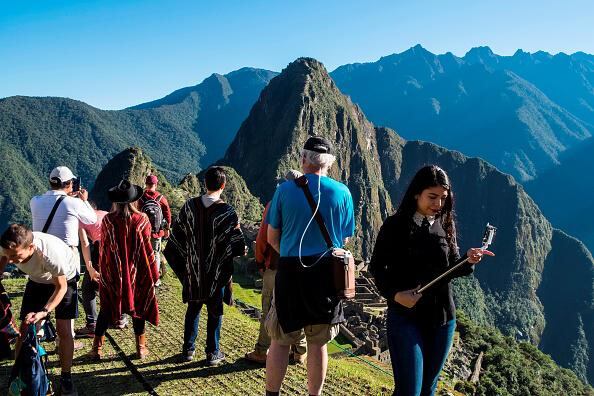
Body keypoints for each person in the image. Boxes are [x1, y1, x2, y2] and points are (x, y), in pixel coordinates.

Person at [369, 165, 494, 396]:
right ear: (417, 193)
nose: (438, 204)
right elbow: (377, 268)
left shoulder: (445, 225)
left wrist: (469, 260)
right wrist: (396, 295)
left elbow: (453, 268)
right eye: (432, 197)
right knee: (409, 390)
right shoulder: (394, 226)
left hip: (442, 320)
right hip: (406, 317)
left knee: (428, 388)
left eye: (443, 198)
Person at [265, 136, 355, 396]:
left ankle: (272, 393)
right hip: (327, 275)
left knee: (280, 341)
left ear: (303, 159)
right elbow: (345, 238)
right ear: (330, 163)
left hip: (291, 273)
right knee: (318, 344)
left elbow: (272, 237)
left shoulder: (284, 191)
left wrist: (293, 255)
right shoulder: (343, 192)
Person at [164, 166, 246, 366]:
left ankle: (188, 350)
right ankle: (212, 352)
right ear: (224, 185)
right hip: (216, 273)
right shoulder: (227, 212)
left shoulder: (189, 207)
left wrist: (187, 262)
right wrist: (240, 250)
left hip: (193, 270)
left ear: (204, 183)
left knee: (193, 308)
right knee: (215, 311)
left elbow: (176, 238)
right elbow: (236, 245)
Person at [0, 224, 80, 395]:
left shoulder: (50, 254)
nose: (11, 260)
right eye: (9, 255)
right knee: (25, 328)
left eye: (16, 256)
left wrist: (44, 311)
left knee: (63, 330)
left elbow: (61, 287)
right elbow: (3, 259)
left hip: (65, 281)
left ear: (31, 247)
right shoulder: (8, 248)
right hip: (37, 281)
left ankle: (66, 378)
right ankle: (19, 373)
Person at [89, 180, 159, 360]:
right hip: (137, 271)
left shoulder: (108, 220)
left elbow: (104, 248)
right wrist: (152, 271)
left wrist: (105, 270)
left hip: (113, 272)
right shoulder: (142, 219)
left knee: (106, 308)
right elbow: (146, 248)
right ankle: (140, 347)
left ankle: (97, 348)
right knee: (138, 307)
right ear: (134, 200)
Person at [245, 170, 307, 365]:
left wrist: (260, 262)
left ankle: (263, 351)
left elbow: (263, 238)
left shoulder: (274, 205)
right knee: (298, 309)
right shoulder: (309, 205)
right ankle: (299, 352)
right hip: (302, 268)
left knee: (269, 309)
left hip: (276, 266)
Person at [75, 201, 108, 338]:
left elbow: (84, 242)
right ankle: (120, 318)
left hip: (100, 250)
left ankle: (92, 324)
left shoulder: (82, 220)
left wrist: (89, 267)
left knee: (88, 287)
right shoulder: (106, 214)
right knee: (113, 283)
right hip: (116, 250)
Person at [139, 174, 172, 285]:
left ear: (146, 184)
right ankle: (156, 278)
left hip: (143, 232)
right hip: (157, 233)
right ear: (156, 184)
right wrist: (167, 229)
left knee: (143, 253)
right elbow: (167, 215)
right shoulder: (161, 198)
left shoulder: (140, 198)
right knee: (156, 253)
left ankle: (143, 276)